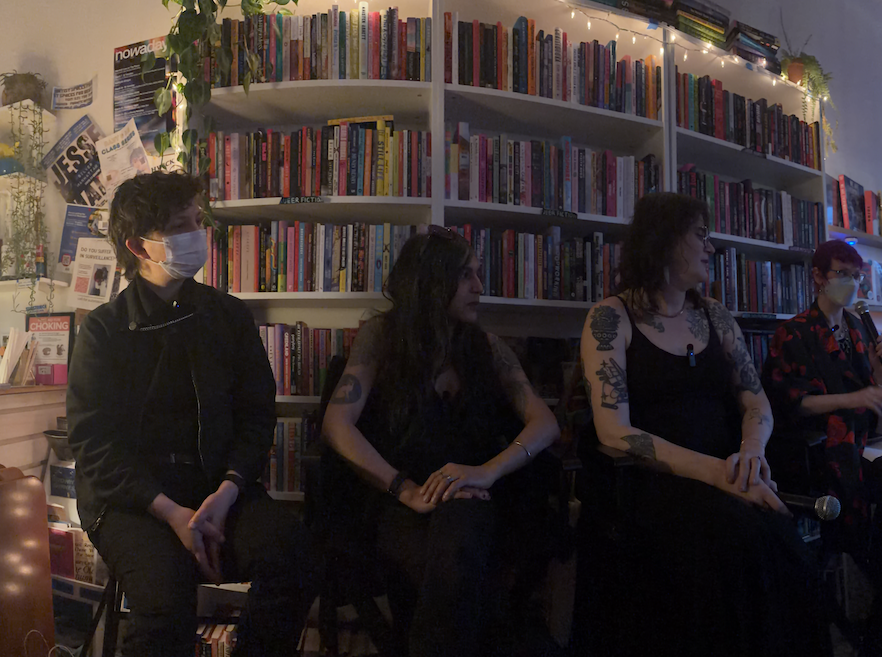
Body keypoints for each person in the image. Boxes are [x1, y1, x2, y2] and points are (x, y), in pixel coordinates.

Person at [66, 171, 318, 657]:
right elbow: (94, 445)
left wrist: (226, 492)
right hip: (130, 502)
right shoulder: (103, 331)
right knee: (164, 604)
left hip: (216, 488)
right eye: (184, 225)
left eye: (198, 220)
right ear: (139, 247)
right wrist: (173, 514)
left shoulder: (227, 315)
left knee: (294, 554)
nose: (200, 233)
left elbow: (256, 415)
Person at [578, 192, 831, 656]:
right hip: (658, 482)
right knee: (735, 546)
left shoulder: (715, 315)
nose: (711, 247)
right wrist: (720, 474)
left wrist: (752, 453)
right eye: (700, 234)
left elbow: (756, 400)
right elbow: (614, 430)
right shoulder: (611, 318)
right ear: (665, 240)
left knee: (785, 545)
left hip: (731, 472)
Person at [320, 226, 560, 655]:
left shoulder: (488, 347)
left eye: (477, 274)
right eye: (466, 275)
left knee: (457, 542)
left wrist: (487, 472)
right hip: (397, 501)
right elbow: (337, 425)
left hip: (474, 499)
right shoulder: (382, 338)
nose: (479, 287)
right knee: (457, 571)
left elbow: (545, 423)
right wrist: (404, 488)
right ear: (431, 280)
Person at [761, 239, 882, 657]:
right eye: (842, 274)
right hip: (824, 446)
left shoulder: (856, 328)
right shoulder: (793, 333)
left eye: (857, 276)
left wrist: (881, 371)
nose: (851, 284)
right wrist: (851, 400)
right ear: (818, 277)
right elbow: (790, 403)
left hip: (868, 436)